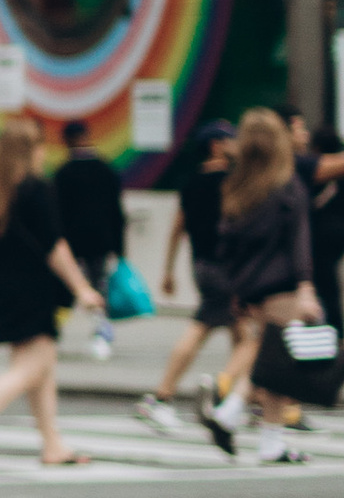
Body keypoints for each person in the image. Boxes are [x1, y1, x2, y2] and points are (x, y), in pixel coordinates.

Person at [0, 121, 104, 466]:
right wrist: (82, 288)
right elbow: (54, 246)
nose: (44, 153)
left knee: (40, 370)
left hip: (5, 290)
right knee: (29, 371)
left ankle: (52, 444)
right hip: (35, 289)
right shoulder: (35, 189)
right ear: (28, 151)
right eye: (39, 147)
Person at [199, 105, 324, 463]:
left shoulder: (238, 188)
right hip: (283, 285)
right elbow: (299, 241)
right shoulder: (287, 186)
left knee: (272, 360)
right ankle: (248, 424)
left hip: (250, 286)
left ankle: (244, 421)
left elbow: (226, 244)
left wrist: (236, 290)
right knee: (280, 365)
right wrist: (306, 286)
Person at [139, 120, 236, 432]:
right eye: (230, 139)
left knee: (240, 332)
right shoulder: (232, 181)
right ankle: (164, 395)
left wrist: (168, 270)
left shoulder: (192, 181)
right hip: (226, 267)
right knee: (209, 327)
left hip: (202, 265)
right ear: (216, 145)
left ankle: (245, 397)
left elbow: (177, 227)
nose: (236, 144)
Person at [51, 117, 129, 360]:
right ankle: (101, 333)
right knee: (98, 287)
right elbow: (117, 212)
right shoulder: (106, 169)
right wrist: (119, 247)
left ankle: (53, 333)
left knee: (65, 288)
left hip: (71, 241)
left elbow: (55, 213)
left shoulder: (62, 174)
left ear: (67, 141)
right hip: (100, 240)